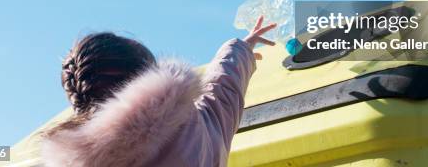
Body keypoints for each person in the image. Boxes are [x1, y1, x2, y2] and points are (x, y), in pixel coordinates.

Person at [41, 16, 277, 167]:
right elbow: (223, 91)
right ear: (146, 77)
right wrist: (240, 48)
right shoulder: (197, 136)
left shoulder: (67, 160)